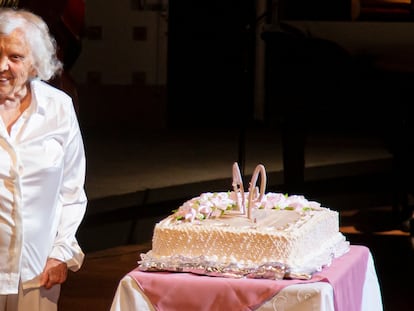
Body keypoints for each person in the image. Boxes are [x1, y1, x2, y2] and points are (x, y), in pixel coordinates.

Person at [0, 7, 87, 311]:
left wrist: (62, 252)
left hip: (37, 274)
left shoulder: (59, 108)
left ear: (36, 63)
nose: (2, 66)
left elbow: (72, 191)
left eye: (15, 57)